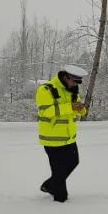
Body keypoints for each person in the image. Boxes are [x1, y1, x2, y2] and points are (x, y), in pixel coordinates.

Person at [36, 64, 88, 203]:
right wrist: (69, 107)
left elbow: (78, 110)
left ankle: (49, 185)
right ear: (66, 77)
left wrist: (81, 109)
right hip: (52, 139)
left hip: (69, 138)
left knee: (74, 162)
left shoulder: (72, 90)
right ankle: (59, 205)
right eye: (74, 81)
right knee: (59, 174)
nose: (75, 84)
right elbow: (45, 112)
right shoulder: (46, 89)